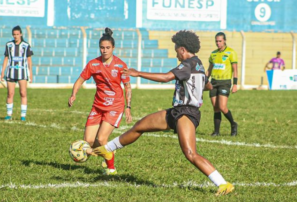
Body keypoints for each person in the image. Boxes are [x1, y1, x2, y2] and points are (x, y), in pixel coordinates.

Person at [87, 30, 234, 196]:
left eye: (177, 49)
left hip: (186, 113)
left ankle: (223, 184)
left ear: (183, 49)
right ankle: (108, 148)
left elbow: (166, 77)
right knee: (139, 126)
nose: (176, 52)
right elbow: (207, 85)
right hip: (177, 111)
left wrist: (138, 73)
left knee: (190, 153)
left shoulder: (187, 64)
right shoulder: (198, 63)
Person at [68, 27, 132, 175]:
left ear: (113, 48)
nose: (104, 51)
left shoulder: (120, 65)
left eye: (108, 48)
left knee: (102, 138)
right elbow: (79, 80)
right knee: (89, 142)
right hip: (97, 106)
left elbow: (127, 87)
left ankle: (111, 169)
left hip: (114, 106)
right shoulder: (93, 64)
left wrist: (128, 107)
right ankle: (108, 152)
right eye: (102, 48)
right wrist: (73, 94)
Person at [206, 32, 238, 137]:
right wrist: (205, 81)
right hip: (213, 82)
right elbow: (209, 70)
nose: (218, 43)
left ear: (224, 40)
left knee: (222, 106)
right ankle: (216, 132)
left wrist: (235, 84)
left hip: (225, 82)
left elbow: (235, 70)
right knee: (215, 107)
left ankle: (233, 124)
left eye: (220, 41)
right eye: (216, 41)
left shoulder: (231, 53)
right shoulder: (213, 54)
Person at [0, 25, 33, 121]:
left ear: (21, 34)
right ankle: (9, 114)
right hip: (11, 72)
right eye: (14, 34)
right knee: (10, 93)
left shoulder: (26, 45)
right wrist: (3, 72)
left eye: (17, 34)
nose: (16, 36)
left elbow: (29, 60)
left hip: (22, 73)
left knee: (23, 93)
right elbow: (6, 58)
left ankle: (23, 115)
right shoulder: (9, 45)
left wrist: (31, 73)